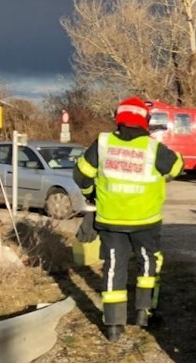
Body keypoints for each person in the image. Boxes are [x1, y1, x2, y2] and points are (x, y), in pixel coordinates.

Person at [74, 97, 184, 341]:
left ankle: (113, 326)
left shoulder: (103, 143)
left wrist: (91, 195)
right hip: (146, 221)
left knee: (114, 266)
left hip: (111, 220)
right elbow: (176, 168)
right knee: (148, 263)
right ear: (145, 121)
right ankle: (144, 313)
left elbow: (81, 175)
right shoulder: (152, 148)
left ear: (119, 118)